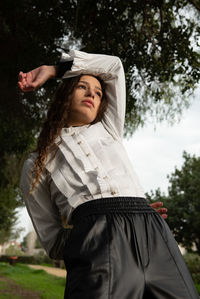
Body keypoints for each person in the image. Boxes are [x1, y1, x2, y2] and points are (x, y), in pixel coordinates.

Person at [19, 50, 198, 299]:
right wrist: (96, 226)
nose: (92, 93)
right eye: (82, 86)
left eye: (99, 92)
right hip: (97, 245)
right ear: (64, 95)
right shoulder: (35, 164)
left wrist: (54, 69)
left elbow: (113, 67)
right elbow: (54, 241)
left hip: (153, 233)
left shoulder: (109, 129)